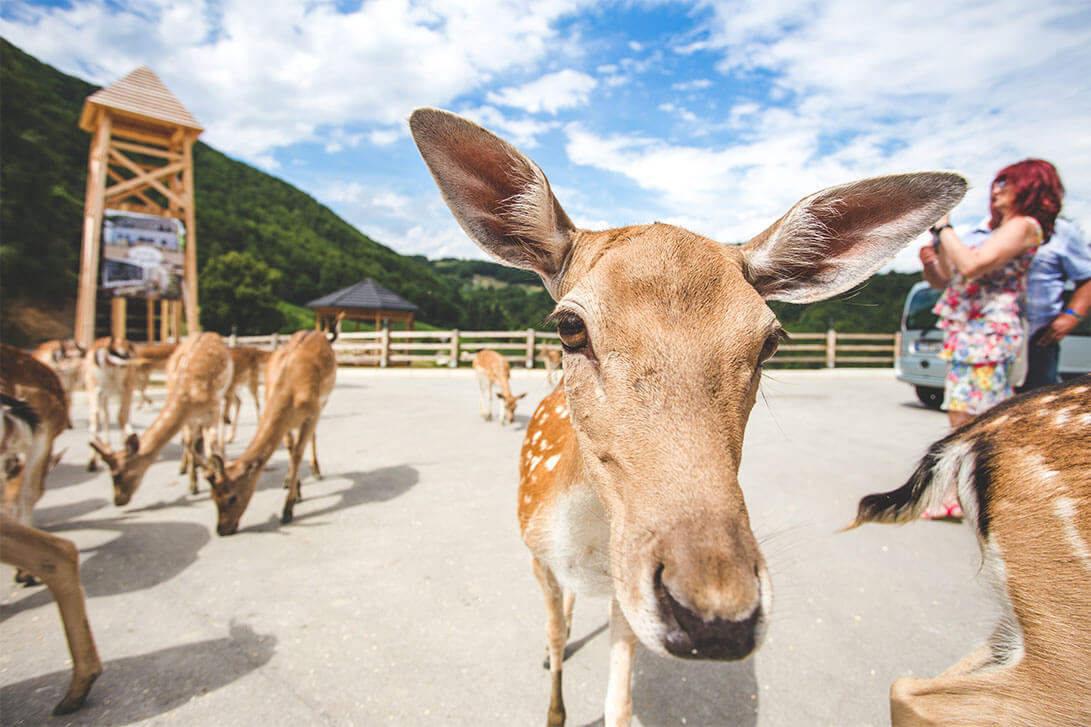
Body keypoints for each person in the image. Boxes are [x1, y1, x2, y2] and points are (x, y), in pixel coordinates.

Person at [918, 158, 1064, 518]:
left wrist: (945, 226)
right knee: (960, 411)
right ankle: (965, 493)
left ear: (1030, 187)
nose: (996, 190)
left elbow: (972, 266)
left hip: (989, 332)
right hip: (969, 331)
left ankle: (985, 494)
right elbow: (947, 279)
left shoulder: (1025, 226)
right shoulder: (994, 231)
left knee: (981, 414)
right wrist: (931, 259)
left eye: (1006, 183)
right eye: (996, 183)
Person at [1021, 217, 1091, 389]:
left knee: (1034, 402)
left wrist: (1072, 316)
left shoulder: (1062, 231)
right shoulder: (984, 229)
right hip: (994, 336)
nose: (996, 192)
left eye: (1003, 187)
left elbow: (1086, 277)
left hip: (1038, 338)